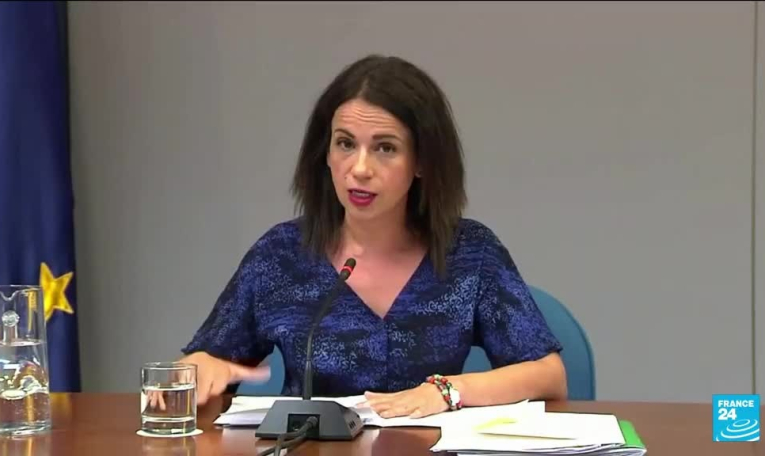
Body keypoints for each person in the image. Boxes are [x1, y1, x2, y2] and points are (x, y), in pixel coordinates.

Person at [179, 54, 567, 419]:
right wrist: (200, 367)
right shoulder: (281, 256)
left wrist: (446, 391)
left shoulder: (469, 252)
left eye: (385, 148)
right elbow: (205, 363)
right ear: (326, 152)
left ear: (421, 162)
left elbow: (549, 375)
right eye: (345, 144)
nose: (360, 168)